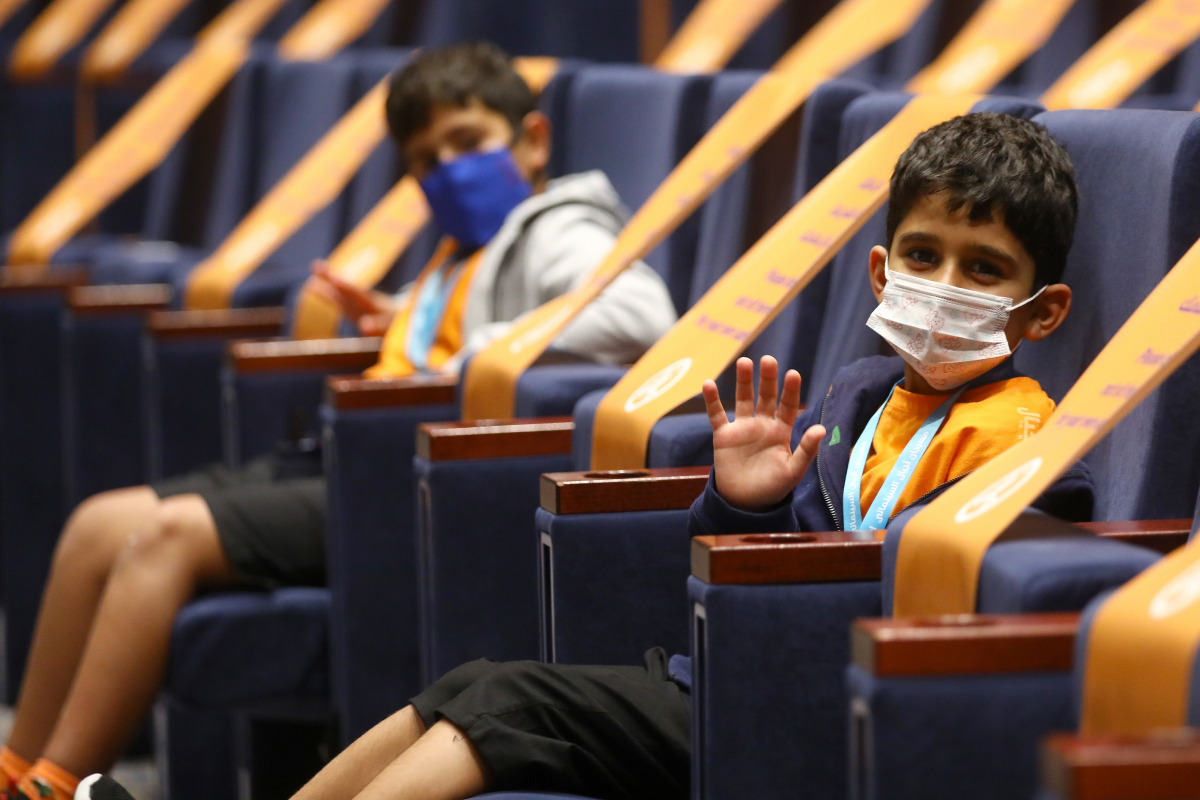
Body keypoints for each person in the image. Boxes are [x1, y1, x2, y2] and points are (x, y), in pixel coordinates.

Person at [82, 113, 1097, 800]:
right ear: (881, 268)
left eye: (984, 270)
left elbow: (941, 605)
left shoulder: (1026, 445)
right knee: (471, 682)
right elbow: (766, 559)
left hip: (809, 701)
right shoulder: (860, 397)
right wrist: (742, 505)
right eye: (922, 255)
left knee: (505, 702)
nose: (942, 285)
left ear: (1042, 310)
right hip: (731, 671)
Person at [0, 43, 677, 800]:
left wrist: (466, 359)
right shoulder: (470, 246)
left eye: (468, 142)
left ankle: (53, 786)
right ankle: (14, 768)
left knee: (159, 538)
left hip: (401, 479)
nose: (449, 169)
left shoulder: (559, 228)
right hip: (353, 453)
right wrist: (403, 316)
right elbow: (488, 314)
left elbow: (640, 314)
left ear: (533, 139)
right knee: (97, 525)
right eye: (426, 160)